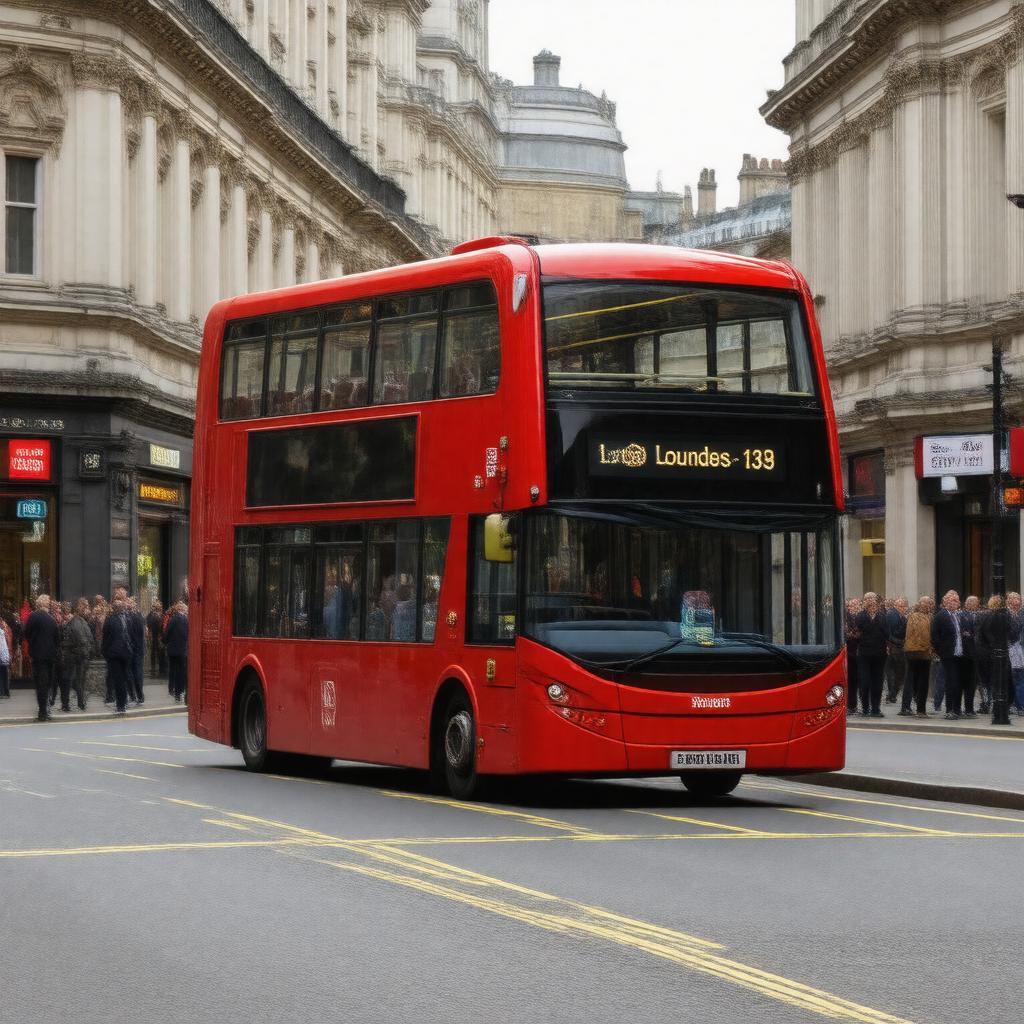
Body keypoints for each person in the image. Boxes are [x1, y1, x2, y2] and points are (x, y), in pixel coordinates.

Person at [24, 595, 59, 722]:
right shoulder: (52, 619)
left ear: (38, 604)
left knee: (40, 684)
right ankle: (46, 709)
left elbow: (26, 633)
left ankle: (42, 711)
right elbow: (57, 638)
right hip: (50, 656)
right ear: (47, 605)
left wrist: (33, 642)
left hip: (38, 655)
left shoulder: (33, 617)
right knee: (48, 683)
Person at [931, 589, 965, 720]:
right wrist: (941, 652)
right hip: (948, 655)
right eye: (952, 600)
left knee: (957, 682)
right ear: (945, 602)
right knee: (951, 682)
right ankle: (949, 709)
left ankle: (957, 709)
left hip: (959, 654)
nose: (955, 602)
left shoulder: (957, 615)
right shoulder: (941, 615)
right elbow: (934, 636)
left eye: (957, 600)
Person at [854, 592, 889, 717]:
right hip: (864, 654)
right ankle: (865, 708)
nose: (871, 602)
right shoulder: (860, 616)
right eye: (868, 599)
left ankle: (876, 708)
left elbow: (887, 633)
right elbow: (856, 633)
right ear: (864, 602)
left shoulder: (883, 616)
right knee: (865, 682)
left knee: (877, 682)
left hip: (879, 654)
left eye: (873, 599)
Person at [101, 598, 133, 715]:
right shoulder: (128, 620)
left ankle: (121, 705)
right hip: (126, 654)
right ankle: (124, 703)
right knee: (124, 679)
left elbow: (105, 639)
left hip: (114, 655)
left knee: (118, 680)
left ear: (113, 609)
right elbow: (131, 637)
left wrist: (105, 652)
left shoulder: (109, 621)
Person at [902, 598, 933, 716]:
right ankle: (919, 709)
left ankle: (915, 705)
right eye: (927, 604)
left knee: (914, 679)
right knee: (921, 681)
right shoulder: (920, 617)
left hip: (913, 652)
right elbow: (923, 636)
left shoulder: (913, 616)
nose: (928, 606)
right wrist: (929, 647)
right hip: (921, 652)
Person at [63, 598, 94, 711]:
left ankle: (69, 704)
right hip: (79, 656)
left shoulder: (78, 622)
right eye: (84, 607)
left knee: (71, 680)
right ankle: (79, 703)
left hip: (77, 656)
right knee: (77, 681)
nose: (86, 609)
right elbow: (89, 640)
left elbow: (86, 640)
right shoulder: (80, 622)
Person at [163, 602, 189, 703]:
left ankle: (172, 688)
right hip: (183, 650)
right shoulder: (186, 620)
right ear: (183, 610)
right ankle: (180, 691)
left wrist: (164, 641)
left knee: (172, 670)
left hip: (172, 650)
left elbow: (167, 633)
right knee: (181, 672)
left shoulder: (173, 619)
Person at [884, 597, 908, 704]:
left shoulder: (901, 616)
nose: (902, 608)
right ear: (896, 606)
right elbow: (894, 632)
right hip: (893, 647)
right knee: (893, 672)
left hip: (897, 647)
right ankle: (892, 694)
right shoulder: (892, 614)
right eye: (900, 606)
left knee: (897, 672)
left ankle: (892, 694)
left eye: (903, 606)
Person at [959, 595, 981, 718]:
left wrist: (972, 636)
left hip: (975, 654)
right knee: (965, 682)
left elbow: (976, 633)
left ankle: (970, 708)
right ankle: (963, 708)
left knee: (972, 684)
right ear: (969, 604)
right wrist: (971, 636)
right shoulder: (962, 615)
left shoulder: (978, 615)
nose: (977, 605)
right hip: (965, 654)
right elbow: (964, 634)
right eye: (975, 603)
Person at [126, 596, 146, 705]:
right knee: (132, 673)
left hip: (134, 649)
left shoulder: (134, 617)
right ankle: (136, 695)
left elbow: (140, 635)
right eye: (127, 602)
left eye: (130, 602)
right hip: (133, 649)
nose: (128, 604)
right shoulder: (137, 617)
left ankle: (136, 696)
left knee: (135, 673)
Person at [844, 597, 862, 713]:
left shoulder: (860, 618)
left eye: (856, 605)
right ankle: (851, 705)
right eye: (852, 606)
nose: (854, 608)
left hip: (859, 652)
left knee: (857, 681)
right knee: (850, 681)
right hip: (850, 653)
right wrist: (854, 634)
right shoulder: (846, 618)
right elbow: (847, 634)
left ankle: (854, 704)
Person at [146, 599, 166, 679]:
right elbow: (148, 623)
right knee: (153, 653)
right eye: (156, 606)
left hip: (161, 636)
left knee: (161, 652)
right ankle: (153, 668)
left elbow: (165, 624)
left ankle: (162, 669)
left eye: (159, 605)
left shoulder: (163, 614)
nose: (158, 607)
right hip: (154, 636)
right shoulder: (151, 615)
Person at [0, 613, 11, 699]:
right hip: (4, 655)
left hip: (2, 655)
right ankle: (6, 692)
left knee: (2, 674)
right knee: (4, 673)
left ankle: (2, 692)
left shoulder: (3, 632)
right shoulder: (4, 632)